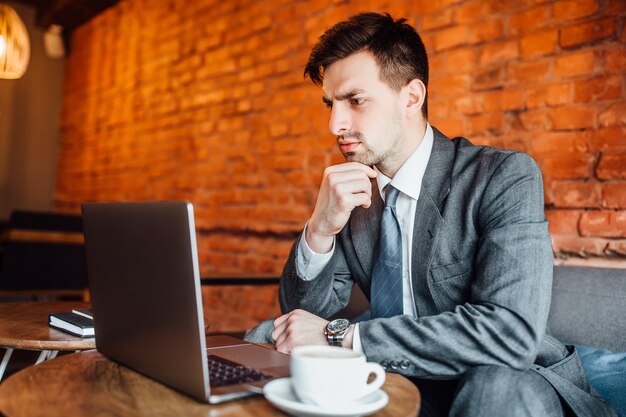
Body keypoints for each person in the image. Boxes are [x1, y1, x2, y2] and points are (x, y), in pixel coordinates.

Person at [270, 12, 616, 417]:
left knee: (493, 390)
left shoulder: (502, 177)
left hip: (513, 379)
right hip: (402, 375)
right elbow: (304, 315)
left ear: (412, 97)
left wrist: (344, 336)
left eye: (355, 100)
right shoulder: (353, 193)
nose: (335, 124)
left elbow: (509, 335)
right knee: (264, 337)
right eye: (331, 105)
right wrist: (320, 229)